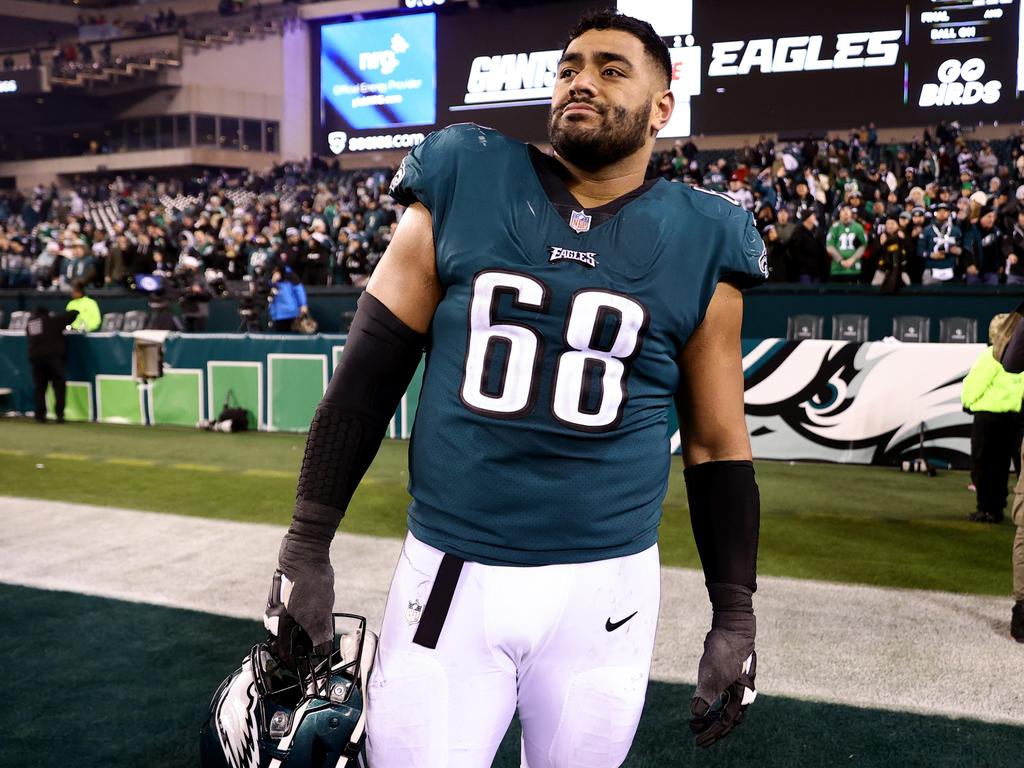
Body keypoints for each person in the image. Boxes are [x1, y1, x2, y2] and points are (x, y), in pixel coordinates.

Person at [262, 10, 764, 767]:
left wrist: (735, 613)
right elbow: (367, 381)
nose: (581, 82)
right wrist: (306, 544)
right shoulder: (466, 172)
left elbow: (716, 442)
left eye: (611, 68)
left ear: (664, 105)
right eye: (569, 67)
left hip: (607, 592)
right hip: (451, 575)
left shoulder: (705, 235)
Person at [961, 315, 1024, 524]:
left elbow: (975, 383)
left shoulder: (991, 356)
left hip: (987, 418)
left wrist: (968, 403)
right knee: (1002, 467)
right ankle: (997, 508)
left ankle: (985, 508)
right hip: (1013, 418)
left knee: (983, 465)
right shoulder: (1019, 357)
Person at [25, 306, 78, 423]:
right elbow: (71, 316)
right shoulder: (53, 321)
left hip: (36, 359)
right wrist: (75, 310)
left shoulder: (31, 324)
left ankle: (40, 415)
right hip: (53, 359)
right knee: (59, 388)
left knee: (39, 388)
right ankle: (59, 415)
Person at [826, 204, 867, 281]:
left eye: (848, 210)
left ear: (851, 212)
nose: (845, 212)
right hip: (837, 269)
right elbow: (830, 246)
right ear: (839, 213)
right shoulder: (834, 227)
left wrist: (852, 259)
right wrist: (841, 261)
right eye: (843, 210)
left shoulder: (858, 227)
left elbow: (863, 245)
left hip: (854, 268)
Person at [267, 265, 308, 332]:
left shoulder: (291, 277)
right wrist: (273, 282)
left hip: (292, 313)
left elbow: (299, 290)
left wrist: (303, 304)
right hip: (277, 315)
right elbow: (268, 293)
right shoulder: (269, 278)